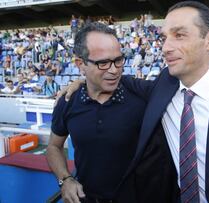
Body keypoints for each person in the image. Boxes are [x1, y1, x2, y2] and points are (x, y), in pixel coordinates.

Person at [64, 2, 209, 202]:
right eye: (164, 38)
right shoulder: (164, 85)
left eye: (179, 35)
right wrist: (81, 81)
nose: (166, 47)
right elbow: (120, 79)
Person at [47, 23, 174, 203]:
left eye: (118, 60)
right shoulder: (68, 101)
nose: (114, 70)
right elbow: (53, 146)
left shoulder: (141, 98)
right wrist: (65, 180)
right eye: (103, 63)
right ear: (80, 64)